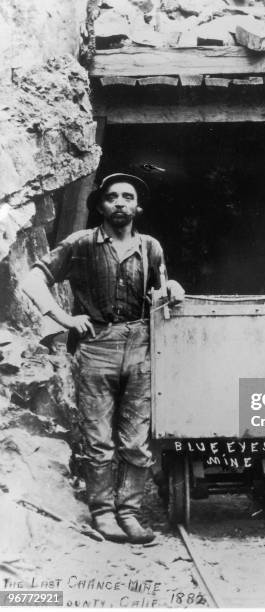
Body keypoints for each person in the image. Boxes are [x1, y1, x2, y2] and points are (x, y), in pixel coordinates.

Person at [22, 173, 184, 544]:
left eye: (128, 197)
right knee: (98, 439)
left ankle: (129, 512)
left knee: (137, 441)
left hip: (142, 344)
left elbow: (160, 292)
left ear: (138, 207)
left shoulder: (150, 247)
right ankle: (102, 512)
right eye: (112, 197)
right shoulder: (81, 244)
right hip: (97, 345)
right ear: (100, 205)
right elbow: (32, 280)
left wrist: (172, 287)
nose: (120, 203)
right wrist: (63, 318)